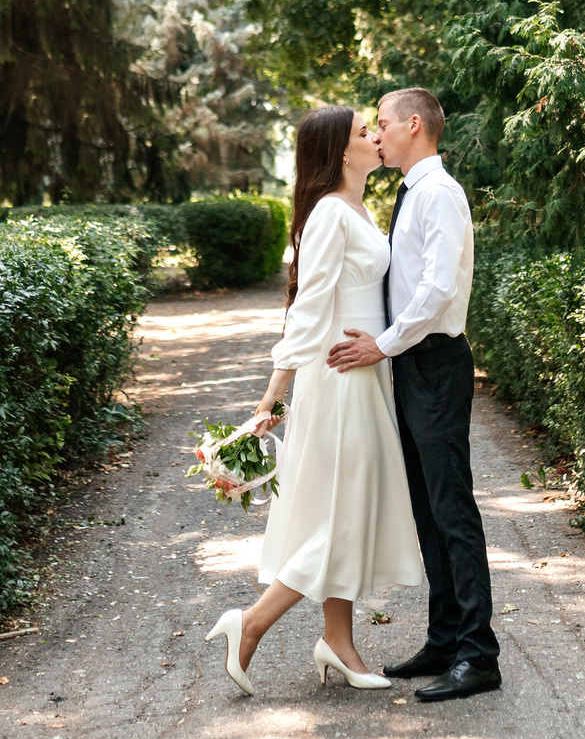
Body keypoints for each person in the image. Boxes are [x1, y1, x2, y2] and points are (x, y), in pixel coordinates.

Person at [206, 105, 423, 694]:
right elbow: (307, 306)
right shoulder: (331, 213)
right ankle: (250, 623)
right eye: (363, 132)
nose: (377, 136)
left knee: (344, 507)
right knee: (340, 512)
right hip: (339, 376)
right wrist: (272, 395)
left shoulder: (357, 208)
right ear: (339, 151)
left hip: (365, 368)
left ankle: (339, 642)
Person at [326, 88, 498, 703]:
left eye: (383, 124)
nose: (378, 135)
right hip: (411, 363)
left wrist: (384, 344)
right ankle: (445, 638)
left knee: (452, 509)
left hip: (434, 362)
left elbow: (437, 287)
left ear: (414, 125)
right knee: (429, 509)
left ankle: (479, 655)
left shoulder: (439, 194)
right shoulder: (413, 192)